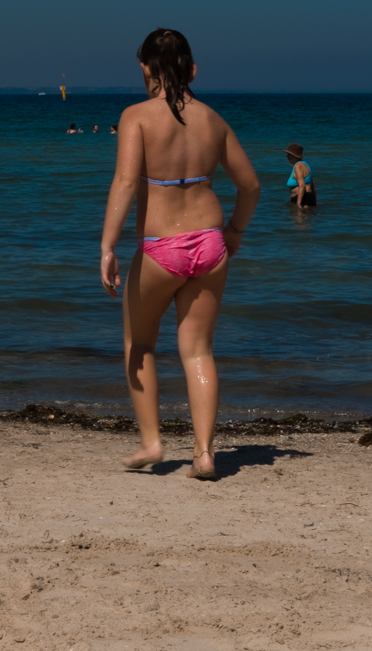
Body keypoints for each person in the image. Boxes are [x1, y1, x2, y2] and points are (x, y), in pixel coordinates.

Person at [99, 28, 261, 479]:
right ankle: (205, 454)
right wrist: (235, 231)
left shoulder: (136, 117)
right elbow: (250, 186)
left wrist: (107, 246)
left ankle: (152, 442)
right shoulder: (213, 120)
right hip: (210, 245)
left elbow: (127, 183)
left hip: (159, 249)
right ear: (192, 69)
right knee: (198, 351)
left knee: (140, 344)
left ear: (145, 69)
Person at [284, 142, 316, 208]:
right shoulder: (305, 164)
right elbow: (312, 183)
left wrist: (298, 204)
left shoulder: (298, 166)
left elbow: (302, 185)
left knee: (299, 217)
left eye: (289, 154)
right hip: (308, 198)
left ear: (294, 155)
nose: (287, 156)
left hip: (302, 200)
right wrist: (314, 200)